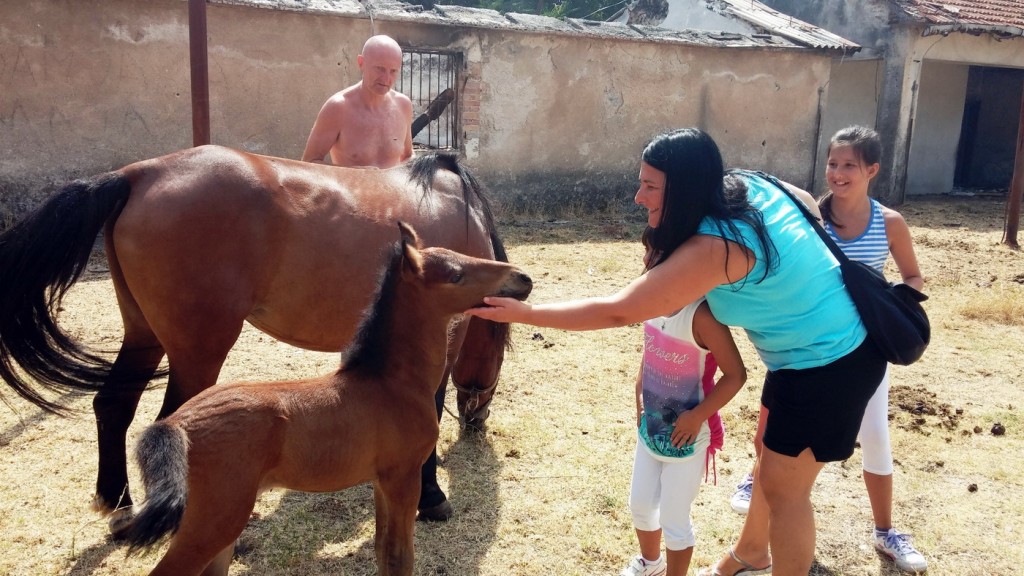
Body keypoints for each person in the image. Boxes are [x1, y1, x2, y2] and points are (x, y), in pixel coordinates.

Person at [466, 127, 888, 576]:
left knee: (786, 490)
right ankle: (750, 554)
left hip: (832, 363)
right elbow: (803, 197)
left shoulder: (715, 247)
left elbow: (617, 312)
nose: (637, 197)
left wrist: (525, 313)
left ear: (684, 189)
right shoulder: (746, 186)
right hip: (801, 356)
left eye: (650, 186)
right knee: (770, 464)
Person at [728, 125, 927, 573]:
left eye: (849, 166)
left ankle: (885, 531)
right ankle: (759, 526)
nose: (837, 174)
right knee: (770, 440)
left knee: (875, 440)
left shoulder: (889, 222)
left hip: (863, 349)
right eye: (833, 164)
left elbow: (913, 277)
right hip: (803, 345)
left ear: (872, 170)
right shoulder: (809, 215)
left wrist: (888, 299)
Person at [620, 293, 746, 576]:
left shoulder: (702, 317)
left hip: (688, 438)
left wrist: (696, 417)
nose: (647, 258)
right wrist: (639, 395)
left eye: (654, 251)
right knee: (640, 505)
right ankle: (651, 564)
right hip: (650, 433)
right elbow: (649, 353)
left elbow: (736, 375)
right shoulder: (651, 300)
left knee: (674, 519)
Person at [301, 34, 414, 168]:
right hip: (348, 189)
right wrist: (358, 175)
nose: (386, 78)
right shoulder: (338, 107)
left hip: (392, 189)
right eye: (380, 69)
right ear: (361, 63)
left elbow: (408, 156)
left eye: (393, 71)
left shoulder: (403, 105)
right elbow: (308, 163)